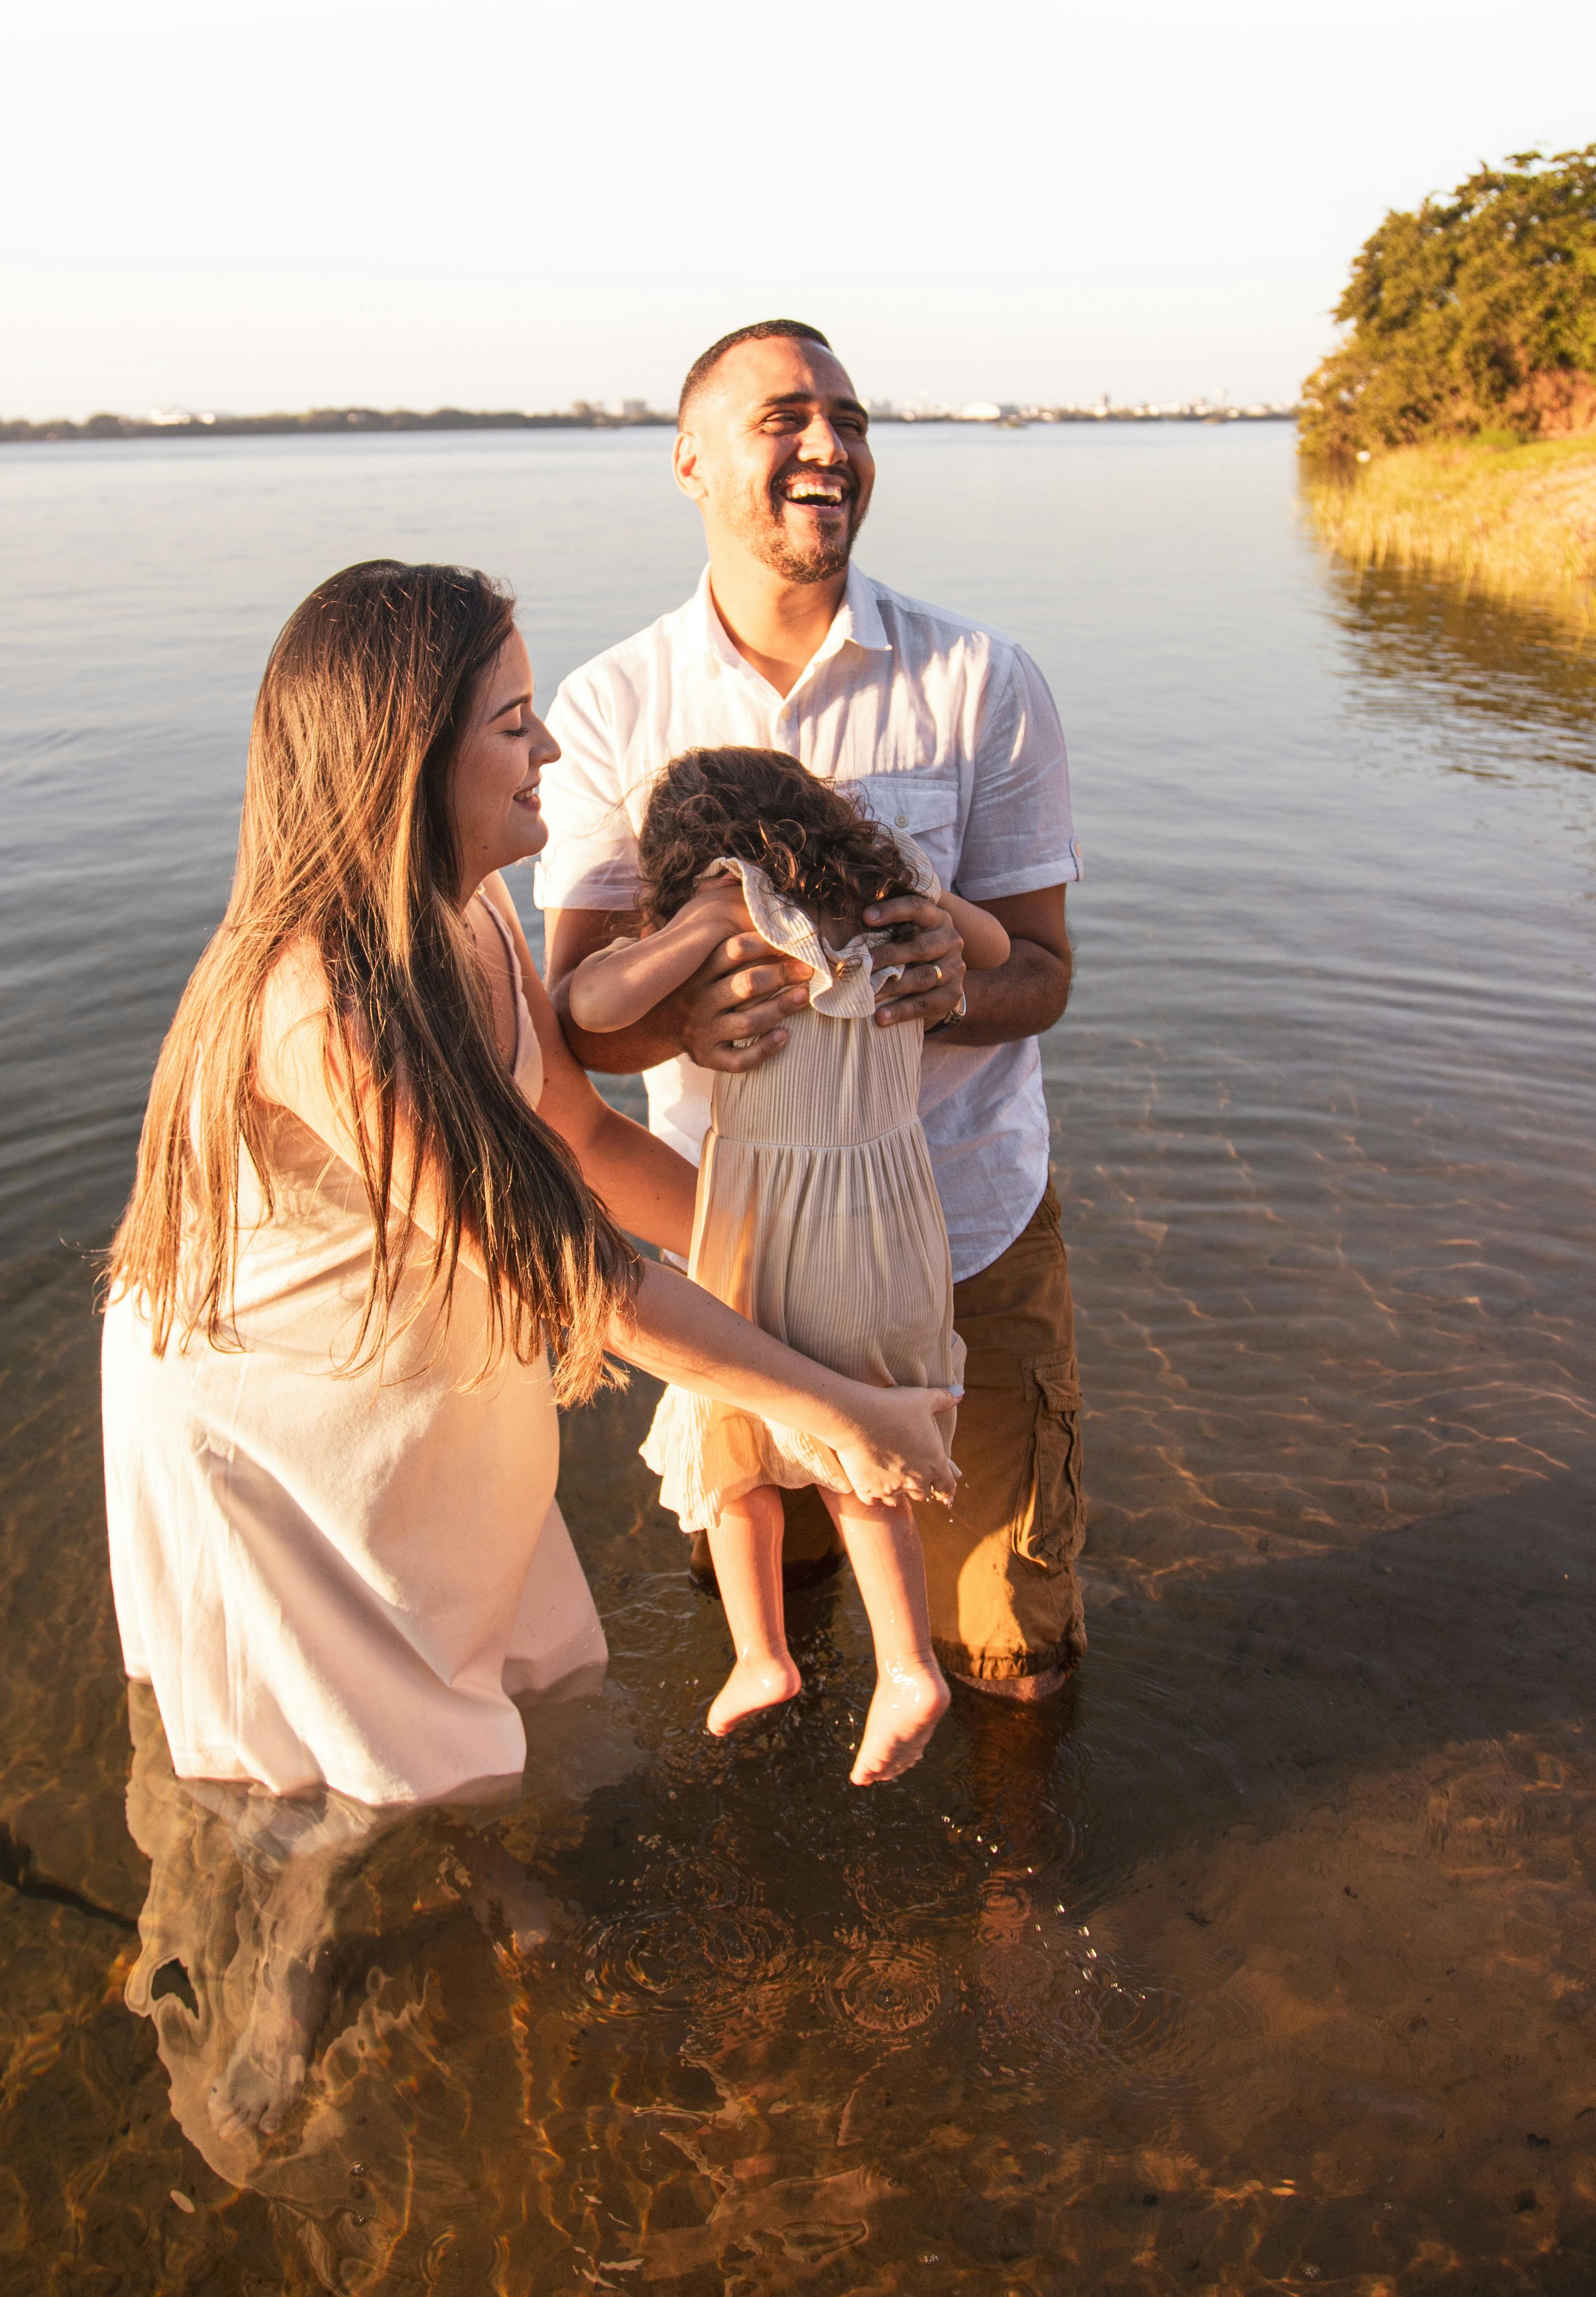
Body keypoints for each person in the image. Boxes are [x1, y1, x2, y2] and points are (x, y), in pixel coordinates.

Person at [101, 557, 956, 1807]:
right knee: (341, 1800)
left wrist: (796, 1287)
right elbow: (557, 1257)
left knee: (522, 1710)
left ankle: (504, 1939)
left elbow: (587, 1148)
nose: (550, 746)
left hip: (439, 1380)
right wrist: (834, 1408)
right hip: (295, 1442)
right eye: (512, 724)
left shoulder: (477, 913)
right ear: (410, 756)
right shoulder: (315, 997)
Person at [539, 322, 1085, 1704]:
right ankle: (786, 1885)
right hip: (745, 1260)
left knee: (1012, 1640)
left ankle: (1022, 1910)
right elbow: (582, 1027)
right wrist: (685, 1022)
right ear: (690, 461)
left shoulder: (981, 682)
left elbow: (1046, 974)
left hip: (966, 1230)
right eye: (786, 418)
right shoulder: (613, 705)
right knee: (767, 1573)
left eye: (848, 417)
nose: (831, 447)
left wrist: (957, 989)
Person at [559, 745, 1014, 1783]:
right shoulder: (895, 868)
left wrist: (702, 923)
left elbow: (591, 1008)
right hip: (893, 1219)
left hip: (764, 1222)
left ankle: (763, 1656)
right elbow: (987, 943)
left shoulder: (730, 899)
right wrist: (943, 920)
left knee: (732, 1438)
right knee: (858, 1451)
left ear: (687, 853)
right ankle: (903, 1666)